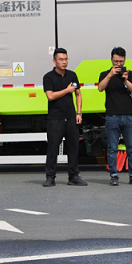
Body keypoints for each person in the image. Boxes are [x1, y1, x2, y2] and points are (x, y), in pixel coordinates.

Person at [98, 46, 132, 186]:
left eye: (121, 61)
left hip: (129, 115)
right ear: (111, 59)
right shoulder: (105, 74)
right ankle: (113, 175)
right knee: (112, 148)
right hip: (112, 116)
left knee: (131, 148)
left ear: (125, 60)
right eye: (116, 61)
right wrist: (110, 75)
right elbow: (100, 88)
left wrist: (125, 80)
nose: (118, 64)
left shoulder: (130, 74)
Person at [42, 48, 86, 187]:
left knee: (73, 148)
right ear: (54, 61)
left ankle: (74, 176)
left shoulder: (72, 75)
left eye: (66, 59)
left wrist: (79, 113)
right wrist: (67, 90)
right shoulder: (48, 77)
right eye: (61, 59)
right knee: (53, 148)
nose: (64, 62)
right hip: (55, 119)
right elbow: (50, 96)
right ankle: (50, 177)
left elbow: (78, 94)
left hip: (71, 117)